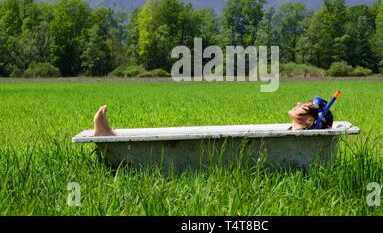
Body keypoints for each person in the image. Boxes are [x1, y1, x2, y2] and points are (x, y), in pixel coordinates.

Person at [93, 100, 334, 136]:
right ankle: (110, 135)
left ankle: (109, 136)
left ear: (311, 121)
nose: (299, 104)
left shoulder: (297, 137)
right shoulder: (290, 133)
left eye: (306, 107)